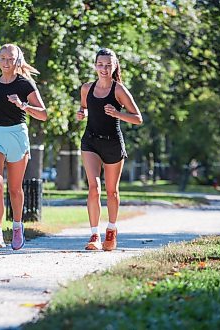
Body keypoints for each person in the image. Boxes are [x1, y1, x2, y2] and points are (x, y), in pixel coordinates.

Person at [0, 43, 47, 250]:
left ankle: (17, 227)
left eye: (11, 59)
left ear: (18, 60)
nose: (6, 62)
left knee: (15, 189)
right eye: (3, 58)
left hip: (17, 136)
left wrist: (22, 105)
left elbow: (43, 114)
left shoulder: (24, 85)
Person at [76, 48, 143, 251]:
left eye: (108, 65)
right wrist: (82, 113)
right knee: (94, 187)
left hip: (113, 143)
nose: (104, 69)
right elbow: (84, 107)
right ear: (95, 65)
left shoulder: (119, 90)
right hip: (90, 142)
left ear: (114, 66)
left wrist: (117, 113)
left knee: (111, 191)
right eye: (100, 64)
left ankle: (111, 231)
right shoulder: (86, 88)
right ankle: (94, 235)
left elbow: (138, 118)